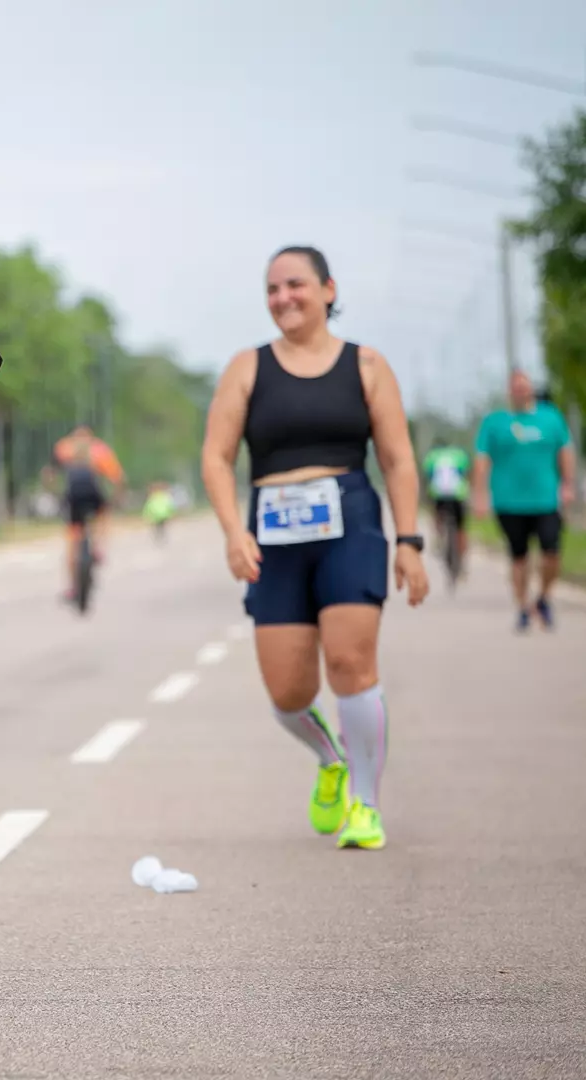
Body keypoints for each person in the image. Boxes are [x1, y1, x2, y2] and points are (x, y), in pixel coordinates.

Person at [200, 244, 429, 853]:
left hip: (350, 522)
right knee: (287, 692)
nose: (284, 298)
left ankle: (365, 805)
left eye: (296, 284)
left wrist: (409, 541)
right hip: (273, 535)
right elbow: (216, 458)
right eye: (273, 289)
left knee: (352, 664)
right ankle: (331, 758)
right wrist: (233, 531)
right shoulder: (247, 367)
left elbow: (398, 459)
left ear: (328, 290)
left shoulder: (367, 365)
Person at [471, 370, 576, 631]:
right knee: (519, 557)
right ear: (510, 392)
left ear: (531, 389)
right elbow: (482, 459)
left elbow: (565, 451)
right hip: (509, 501)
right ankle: (522, 607)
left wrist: (567, 484)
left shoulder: (550, 418)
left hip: (546, 500)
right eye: (515, 387)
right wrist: (480, 494)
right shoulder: (495, 422)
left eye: (524, 386)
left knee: (551, 553)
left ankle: (543, 598)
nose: (520, 391)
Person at [53, 426, 124, 596]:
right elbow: (117, 478)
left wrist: (56, 493)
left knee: (72, 541)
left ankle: (72, 586)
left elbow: (50, 473)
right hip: (93, 495)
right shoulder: (100, 451)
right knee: (103, 514)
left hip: (72, 498)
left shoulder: (63, 448)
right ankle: (98, 547)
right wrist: (116, 498)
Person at [421, 436, 471, 579]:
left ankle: (438, 535)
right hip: (458, 494)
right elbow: (465, 474)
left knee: (436, 513)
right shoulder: (459, 455)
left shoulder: (432, 456)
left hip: (438, 494)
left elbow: (428, 476)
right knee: (461, 528)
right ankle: (462, 557)